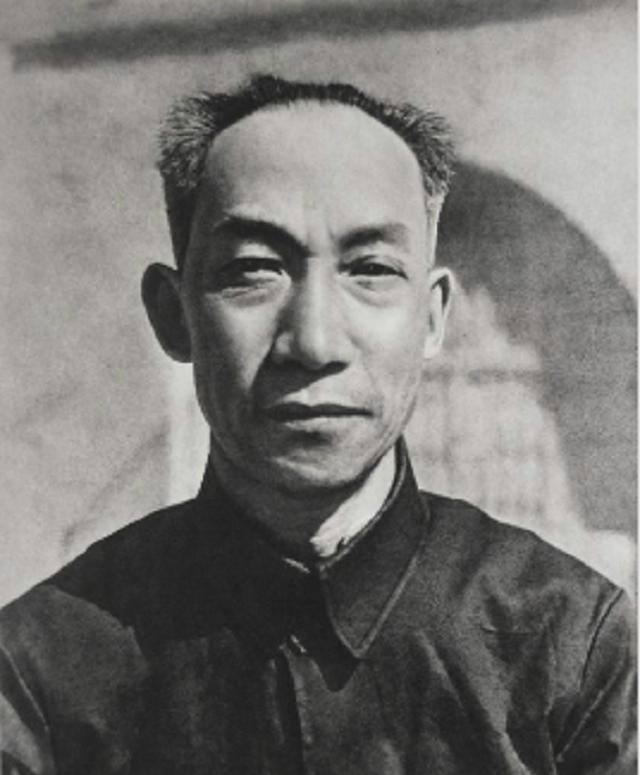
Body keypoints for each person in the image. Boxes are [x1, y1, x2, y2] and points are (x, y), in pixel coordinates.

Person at [0, 74, 635, 775]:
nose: (314, 341)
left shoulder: (573, 645)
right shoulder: (39, 672)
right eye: (254, 269)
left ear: (431, 318)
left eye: (371, 269)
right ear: (173, 315)